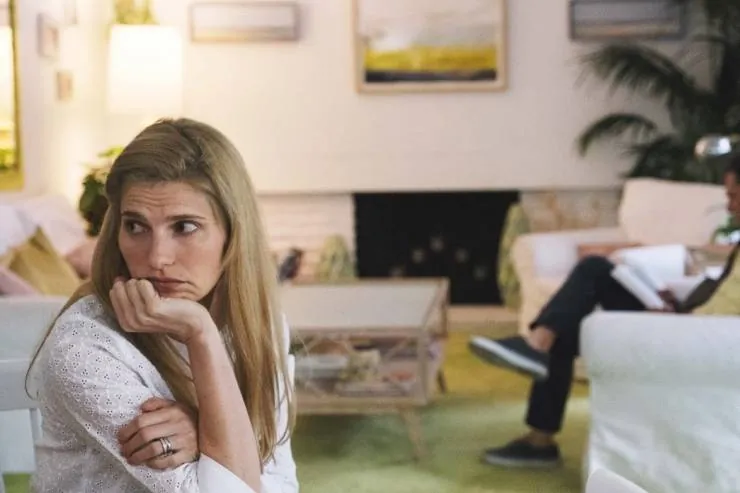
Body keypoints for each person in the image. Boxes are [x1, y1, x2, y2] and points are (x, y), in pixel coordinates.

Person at [27, 118, 298, 492]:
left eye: (184, 227)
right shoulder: (84, 348)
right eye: (136, 226)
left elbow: (282, 482)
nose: (156, 258)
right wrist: (200, 332)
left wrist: (201, 426)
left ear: (233, 233)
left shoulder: (260, 326)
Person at [469, 154, 740, 469]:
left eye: (734, 196)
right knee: (589, 280)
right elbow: (721, 298)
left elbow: (722, 323)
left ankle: (537, 367)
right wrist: (674, 301)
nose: (729, 207)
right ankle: (540, 358)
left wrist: (677, 319)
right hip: (685, 322)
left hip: (687, 337)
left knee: (587, 285)